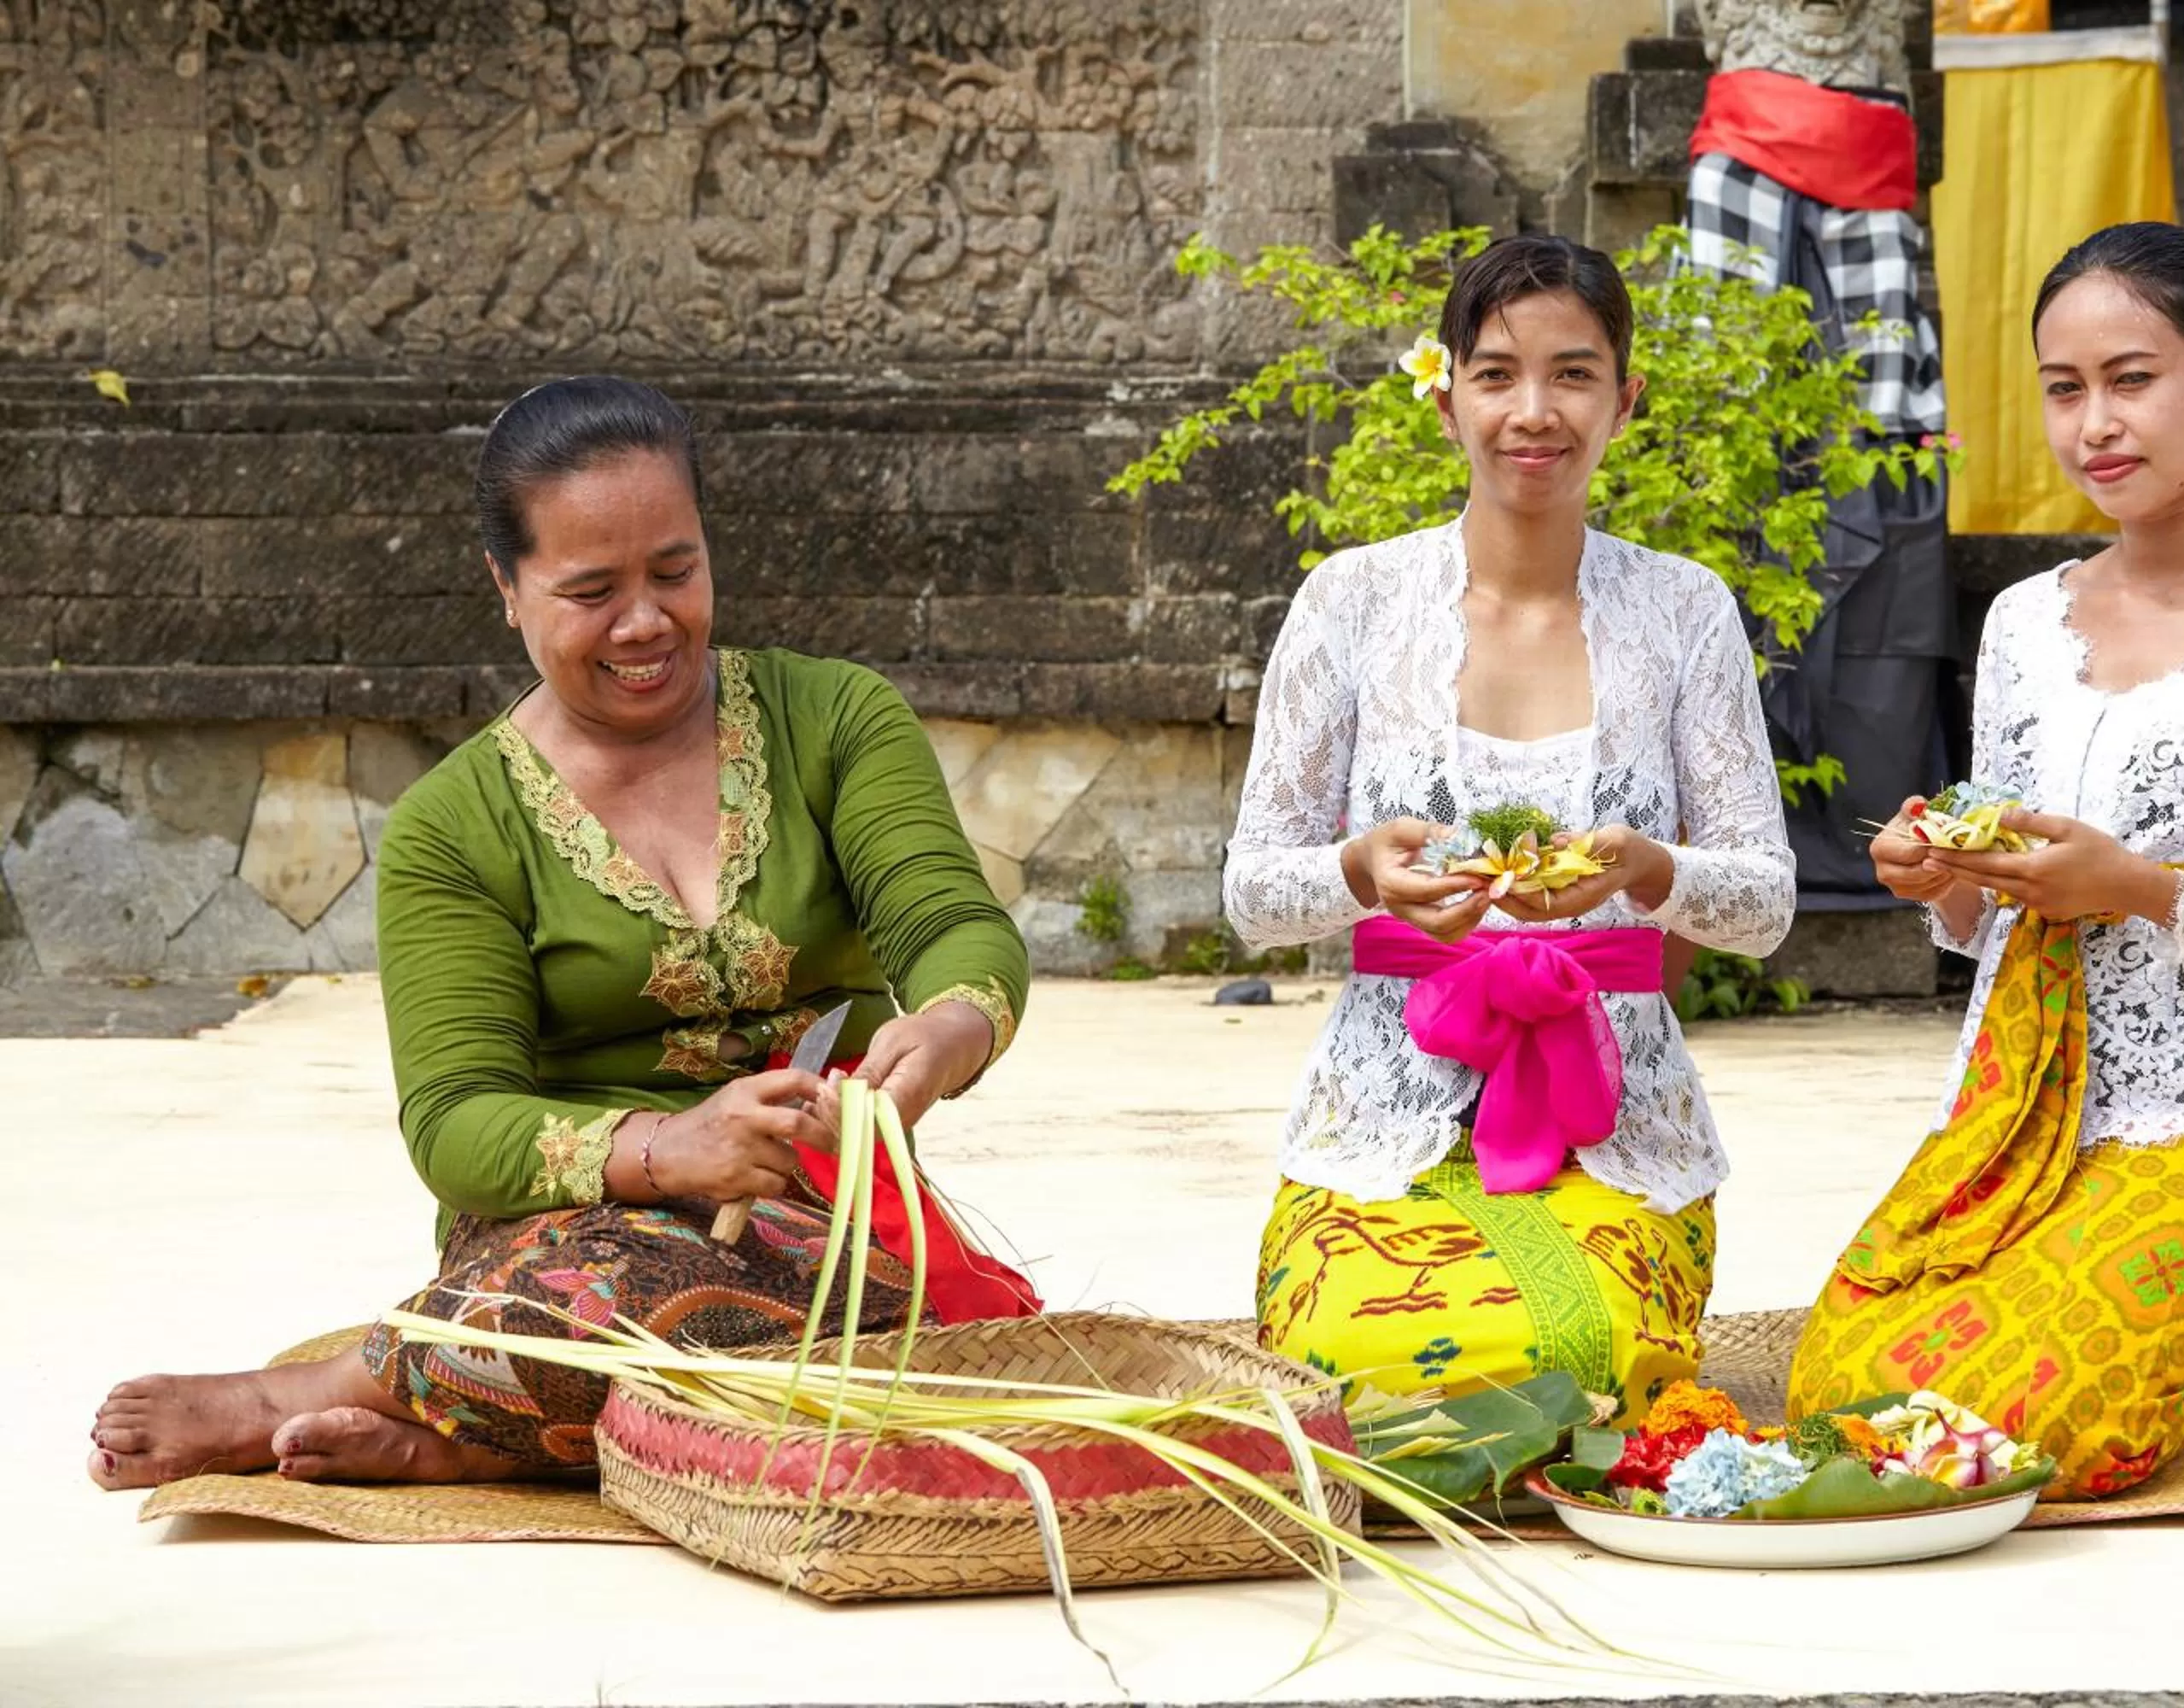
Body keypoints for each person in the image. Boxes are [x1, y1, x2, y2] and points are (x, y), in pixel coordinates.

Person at [89, 377, 1034, 1490]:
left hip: (822, 1224)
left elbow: (949, 917)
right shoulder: (455, 826)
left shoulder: (834, 719)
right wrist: (664, 1152)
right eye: (591, 590)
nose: (646, 622)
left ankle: (464, 1438)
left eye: (675, 572)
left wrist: (955, 1023)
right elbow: (455, 1120)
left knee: (897, 1344)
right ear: (508, 586)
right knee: (596, 1310)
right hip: (568, 1241)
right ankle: (308, 1394)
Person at [1787, 224, 2184, 1497]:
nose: (2096, 427)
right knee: (1839, 1389)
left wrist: (2139, 889)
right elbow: (1994, 911)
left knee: (2000, 1429)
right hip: (2024, 1114)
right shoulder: (2029, 622)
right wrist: (1943, 874)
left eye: (2133, 380)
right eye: (2064, 389)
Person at [1230, 235, 1796, 1425]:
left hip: (1618, 1126)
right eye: (1495, 375)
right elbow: (1251, 896)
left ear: (1626, 399)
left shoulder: (1687, 611)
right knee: (1354, 1372)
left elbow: (1765, 906)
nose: (1533, 413)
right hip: (1380, 1123)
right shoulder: (1352, 601)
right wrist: (1357, 871)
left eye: (1573, 374)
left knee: (1578, 1361)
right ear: (1444, 394)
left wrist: (1652, 873)